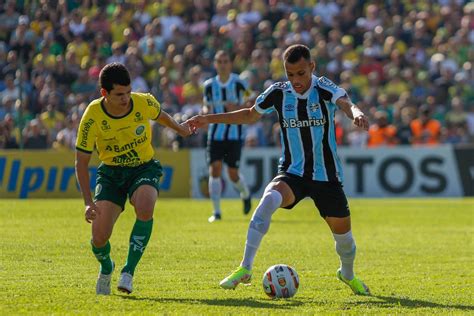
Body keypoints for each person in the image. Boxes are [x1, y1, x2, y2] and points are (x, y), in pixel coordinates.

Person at [189, 44, 371, 295]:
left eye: (301, 73)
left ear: (312, 67)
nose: (296, 80)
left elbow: (346, 103)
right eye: (290, 74)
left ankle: (347, 274)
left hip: (326, 176)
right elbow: (250, 115)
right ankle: (245, 268)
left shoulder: (324, 87)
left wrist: (357, 114)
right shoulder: (278, 93)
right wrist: (208, 119)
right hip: (292, 173)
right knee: (268, 198)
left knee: (345, 242)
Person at [75, 63, 194, 295]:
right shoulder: (92, 116)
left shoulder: (143, 102)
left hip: (143, 168)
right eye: (119, 94)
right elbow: (81, 162)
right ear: (104, 94)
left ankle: (128, 271)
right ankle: (107, 267)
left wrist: (180, 129)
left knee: (145, 207)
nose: (126, 98)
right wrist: (88, 202)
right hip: (110, 174)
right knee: (99, 239)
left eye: (129, 92)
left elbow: (161, 116)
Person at [202, 50, 252, 223]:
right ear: (215, 64)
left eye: (225, 61)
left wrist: (237, 107)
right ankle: (216, 212)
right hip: (215, 134)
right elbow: (206, 106)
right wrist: (205, 113)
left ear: (230, 64)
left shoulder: (240, 83)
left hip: (234, 135)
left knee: (232, 174)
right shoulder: (209, 85)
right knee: (214, 170)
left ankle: (245, 194)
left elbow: (250, 103)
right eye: (219, 61)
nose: (223, 65)